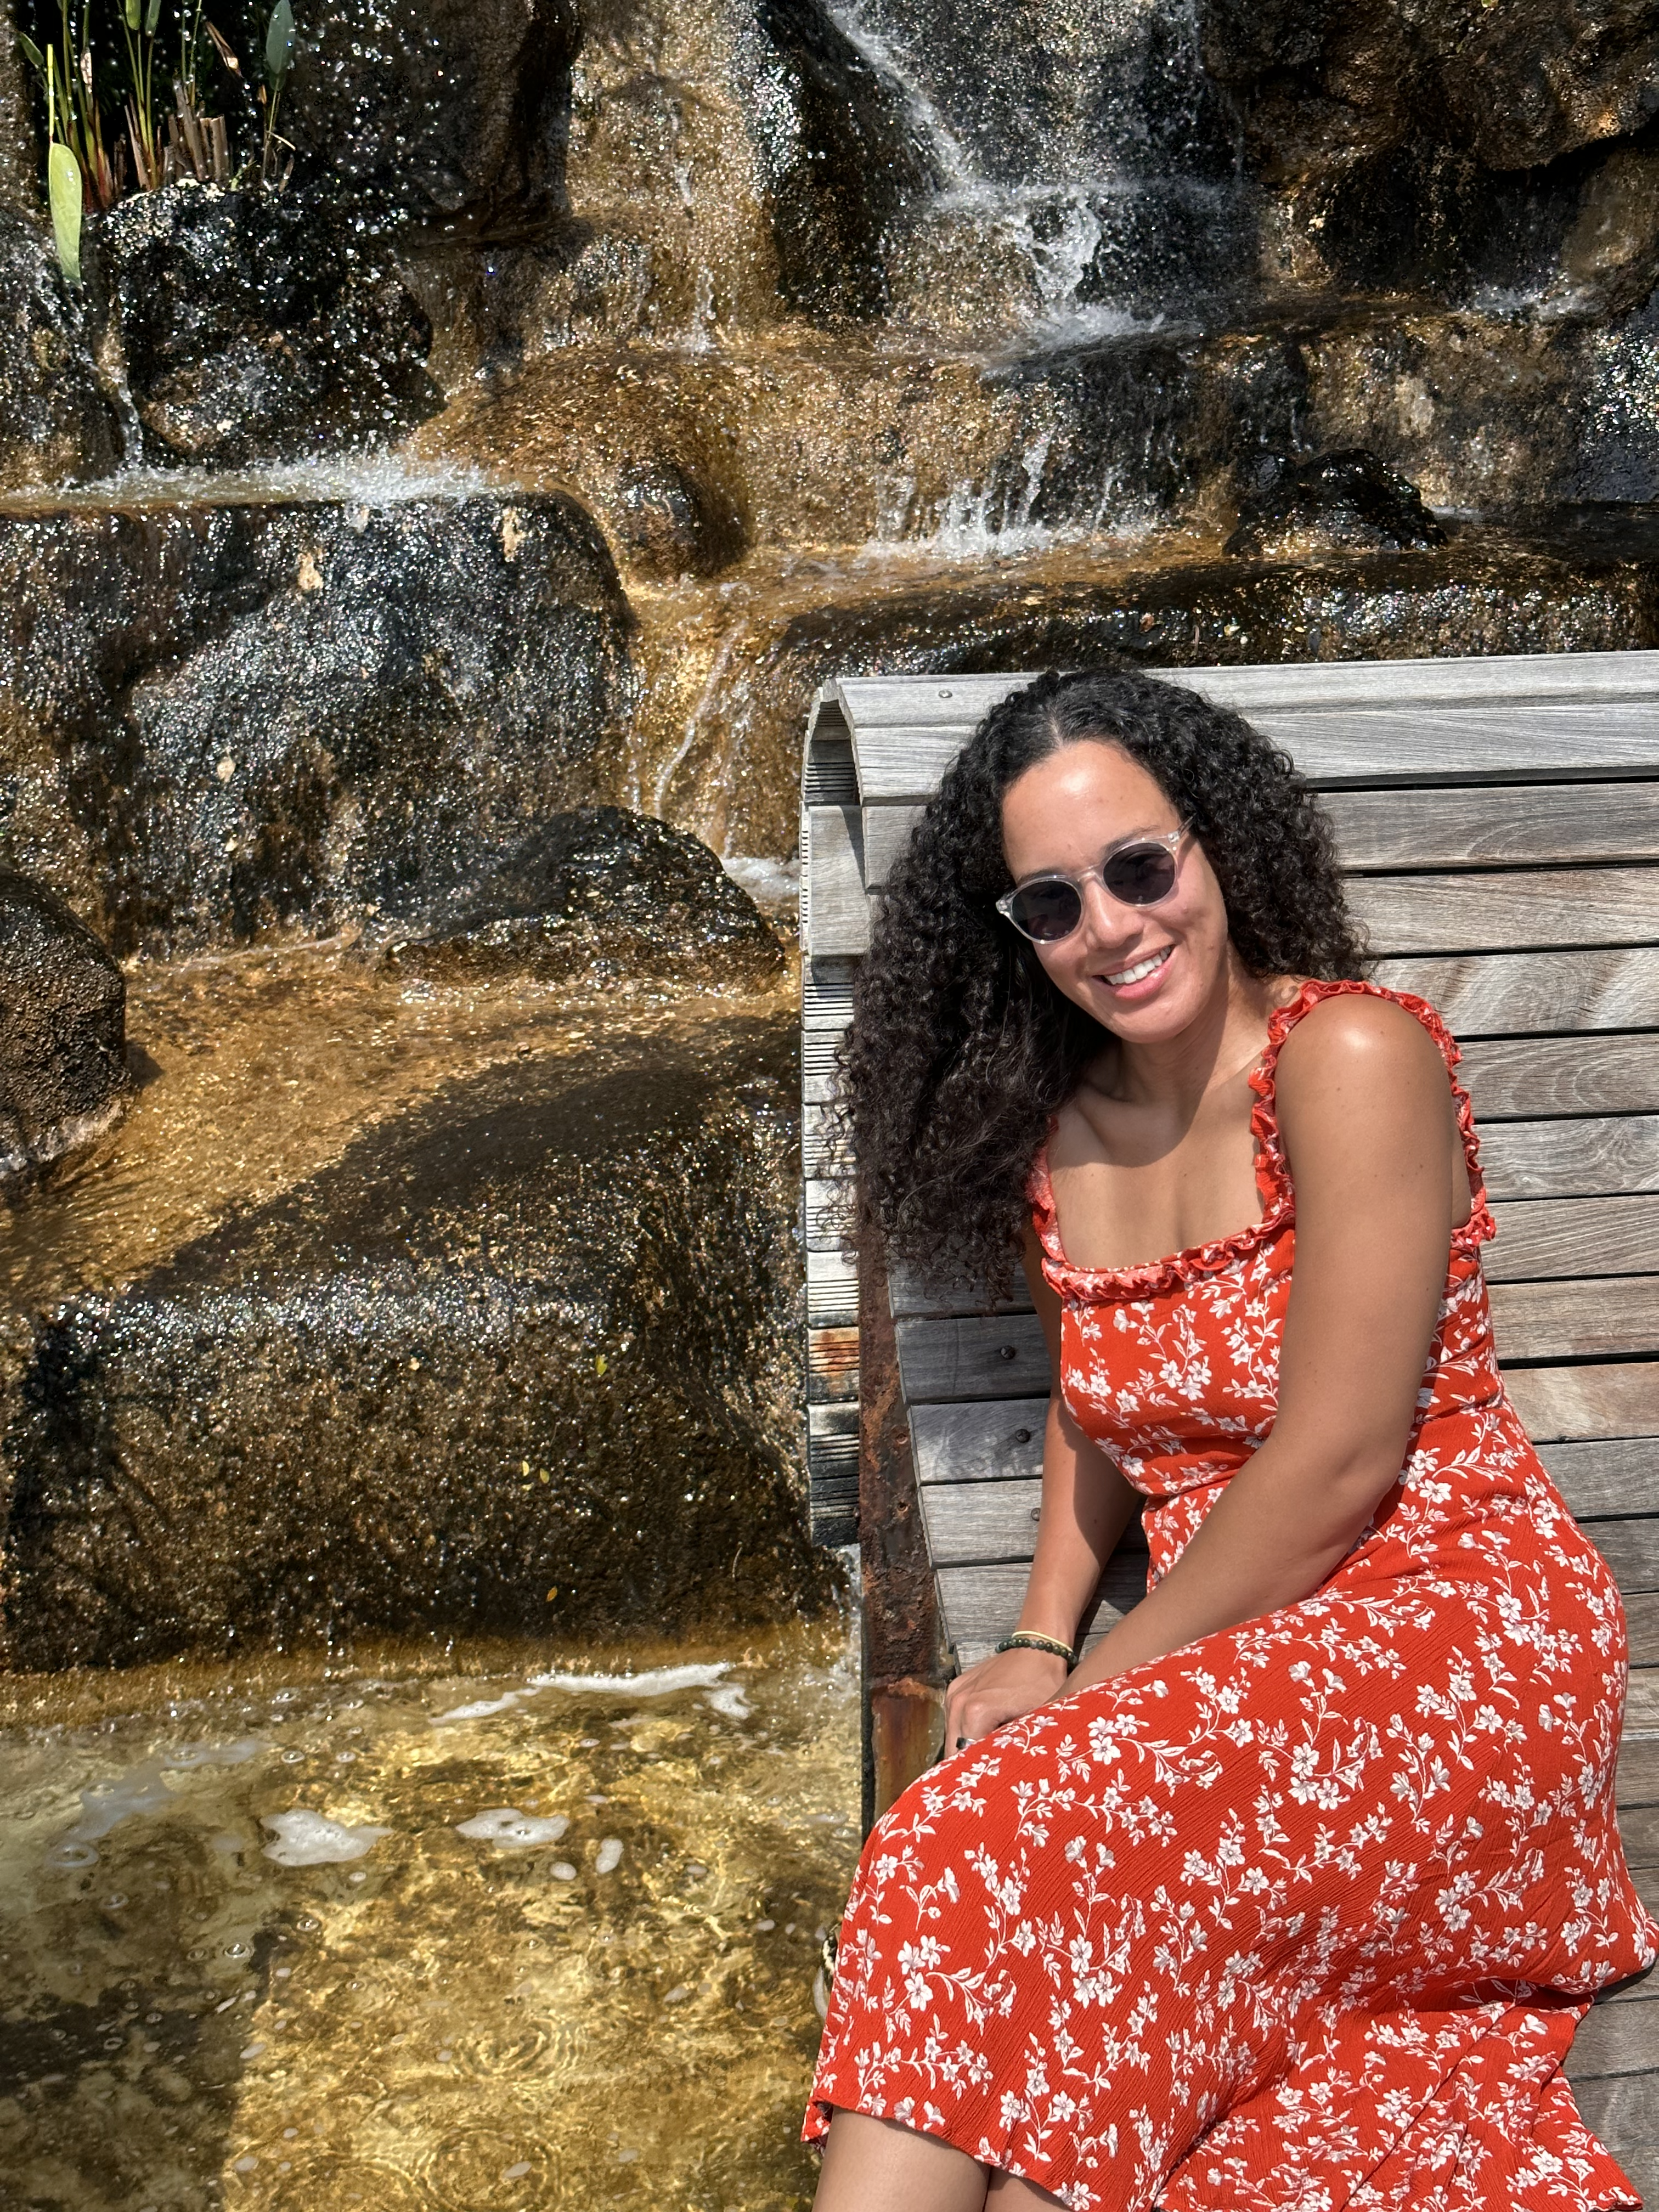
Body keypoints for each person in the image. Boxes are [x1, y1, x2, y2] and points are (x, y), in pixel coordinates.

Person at [803, 667, 1657, 2212]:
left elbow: (1335, 1465)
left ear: (1217, 850)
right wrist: (1043, 1633)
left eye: (1142, 868)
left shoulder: (1349, 1059)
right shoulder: (1060, 1128)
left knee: (967, 1841)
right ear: (1016, 938)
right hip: (1245, 1646)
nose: (1114, 929)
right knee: (1012, 1935)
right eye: (1052, 905)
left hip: (1448, 1628)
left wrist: (1103, 1695)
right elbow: (1099, 1396)